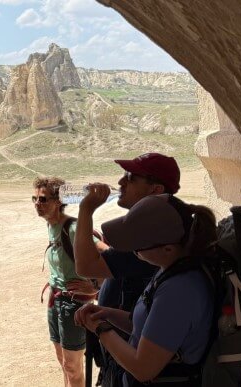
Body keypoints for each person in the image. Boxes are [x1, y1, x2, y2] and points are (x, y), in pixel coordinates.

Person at [74, 194, 217, 386]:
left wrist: (100, 329)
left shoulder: (179, 291)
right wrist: (107, 314)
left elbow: (143, 368)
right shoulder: (169, 270)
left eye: (137, 247)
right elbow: (148, 329)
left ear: (167, 249)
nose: (133, 251)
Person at [73, 153, 179, 386]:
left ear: (155, 189)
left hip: (132, 365)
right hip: (123, 357)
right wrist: (107, 314)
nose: (120, 182)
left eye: (130, 178)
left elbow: (85, 265)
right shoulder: (162, 231)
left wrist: (86, 210)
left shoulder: (153, 238)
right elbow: (142, 320)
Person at [32, 176, 99, 387]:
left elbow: (107, 256)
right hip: (56, 300)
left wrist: (95, 288)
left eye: (43, 200)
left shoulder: (72, 228)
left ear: (58, 200)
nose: (37, 204)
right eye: (34, 199)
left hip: (74, 305)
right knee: (63, 362)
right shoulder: (52, 226)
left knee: (72, 365)